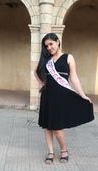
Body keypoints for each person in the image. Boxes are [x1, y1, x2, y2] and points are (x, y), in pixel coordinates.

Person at [35, 33, 94, 164]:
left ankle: (64, 150)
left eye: (51, 44)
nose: (49, 48)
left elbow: (74, 78)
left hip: (61, 97)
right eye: (46, 46)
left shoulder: (68, 57)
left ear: (58, 42)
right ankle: (50, 152)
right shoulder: (46, 60)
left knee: (57, 127)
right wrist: (43, 84)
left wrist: (82, 94)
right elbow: (36, 72)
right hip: (47, 96)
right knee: (47, 126)